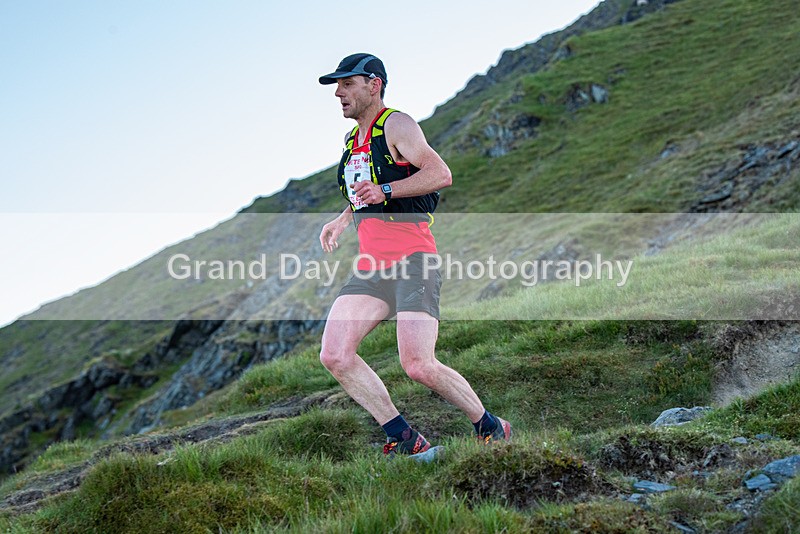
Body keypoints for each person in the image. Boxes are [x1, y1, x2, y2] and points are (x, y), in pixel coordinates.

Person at [317, 53, 511, 458]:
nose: (339, 93)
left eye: (347, 84)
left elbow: (440, 174)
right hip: (372, 266)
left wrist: (385, 192)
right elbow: (365, 190)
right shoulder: (353, 141)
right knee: (335, 354)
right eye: (337, 86)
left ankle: (491, 426)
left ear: (374, 84)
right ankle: (405, 438)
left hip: (413, 260)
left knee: (419, 364)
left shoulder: (397, 124)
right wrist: (342, 218)